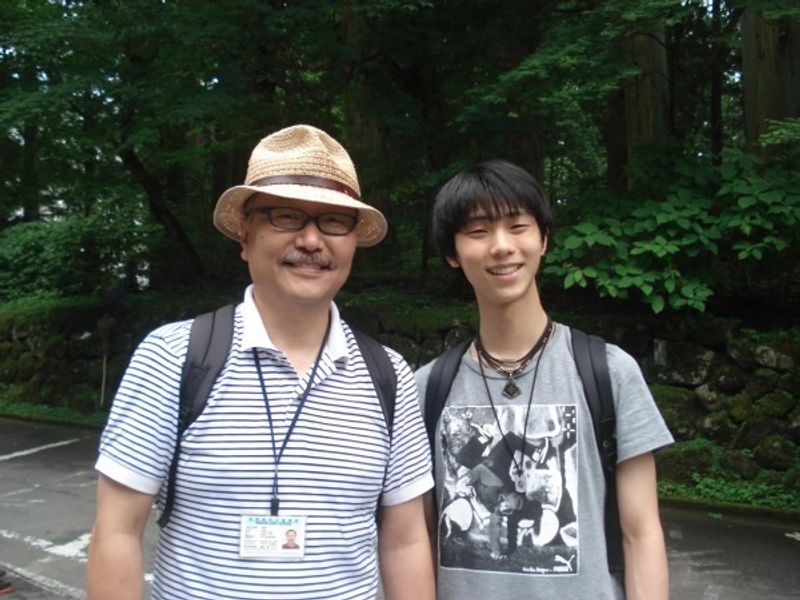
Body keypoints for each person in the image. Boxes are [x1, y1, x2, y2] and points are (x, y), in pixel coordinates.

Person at [87, 124, 435, 600]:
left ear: (353, 242)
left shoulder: (388, 375)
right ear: (246, 235)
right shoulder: (174, 357)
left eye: (334, 221)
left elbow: (405, 542)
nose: (312, 240)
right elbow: (116, 532)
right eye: (287, 216)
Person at [415, 160, 673, 600]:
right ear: (452, 253)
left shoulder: (609, 372)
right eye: (478, 232)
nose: (501, 246)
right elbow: (412, 539)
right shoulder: (426, 387)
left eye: (518, 226)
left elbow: (641, 532)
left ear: (543, 239)